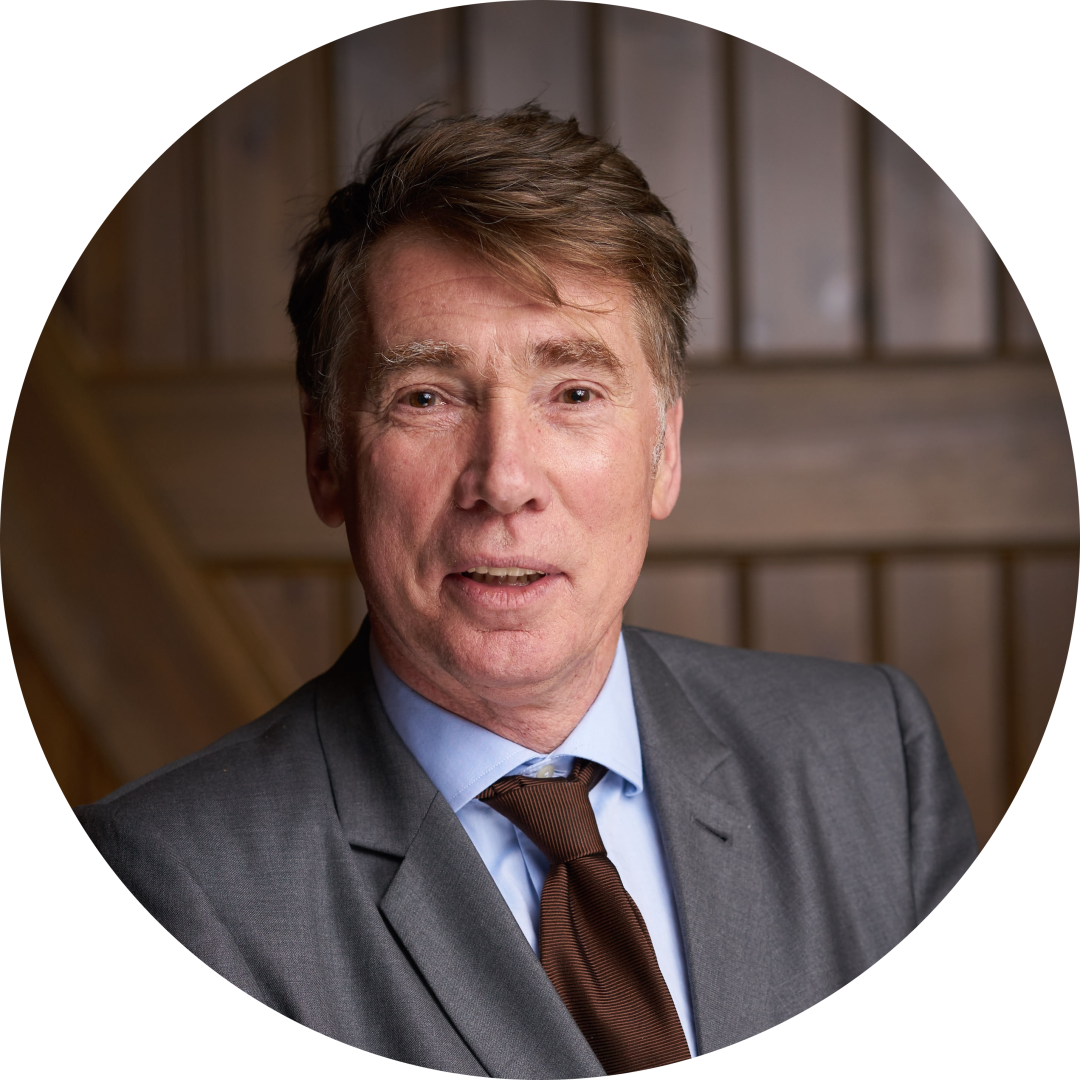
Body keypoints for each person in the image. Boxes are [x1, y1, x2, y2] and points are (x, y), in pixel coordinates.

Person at [75, 106, 977, 1076]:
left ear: (665, 452)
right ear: (326, 459)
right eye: (427, 397)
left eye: (574, 393)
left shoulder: (872, 759)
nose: (503, 480)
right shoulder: (175, 883)